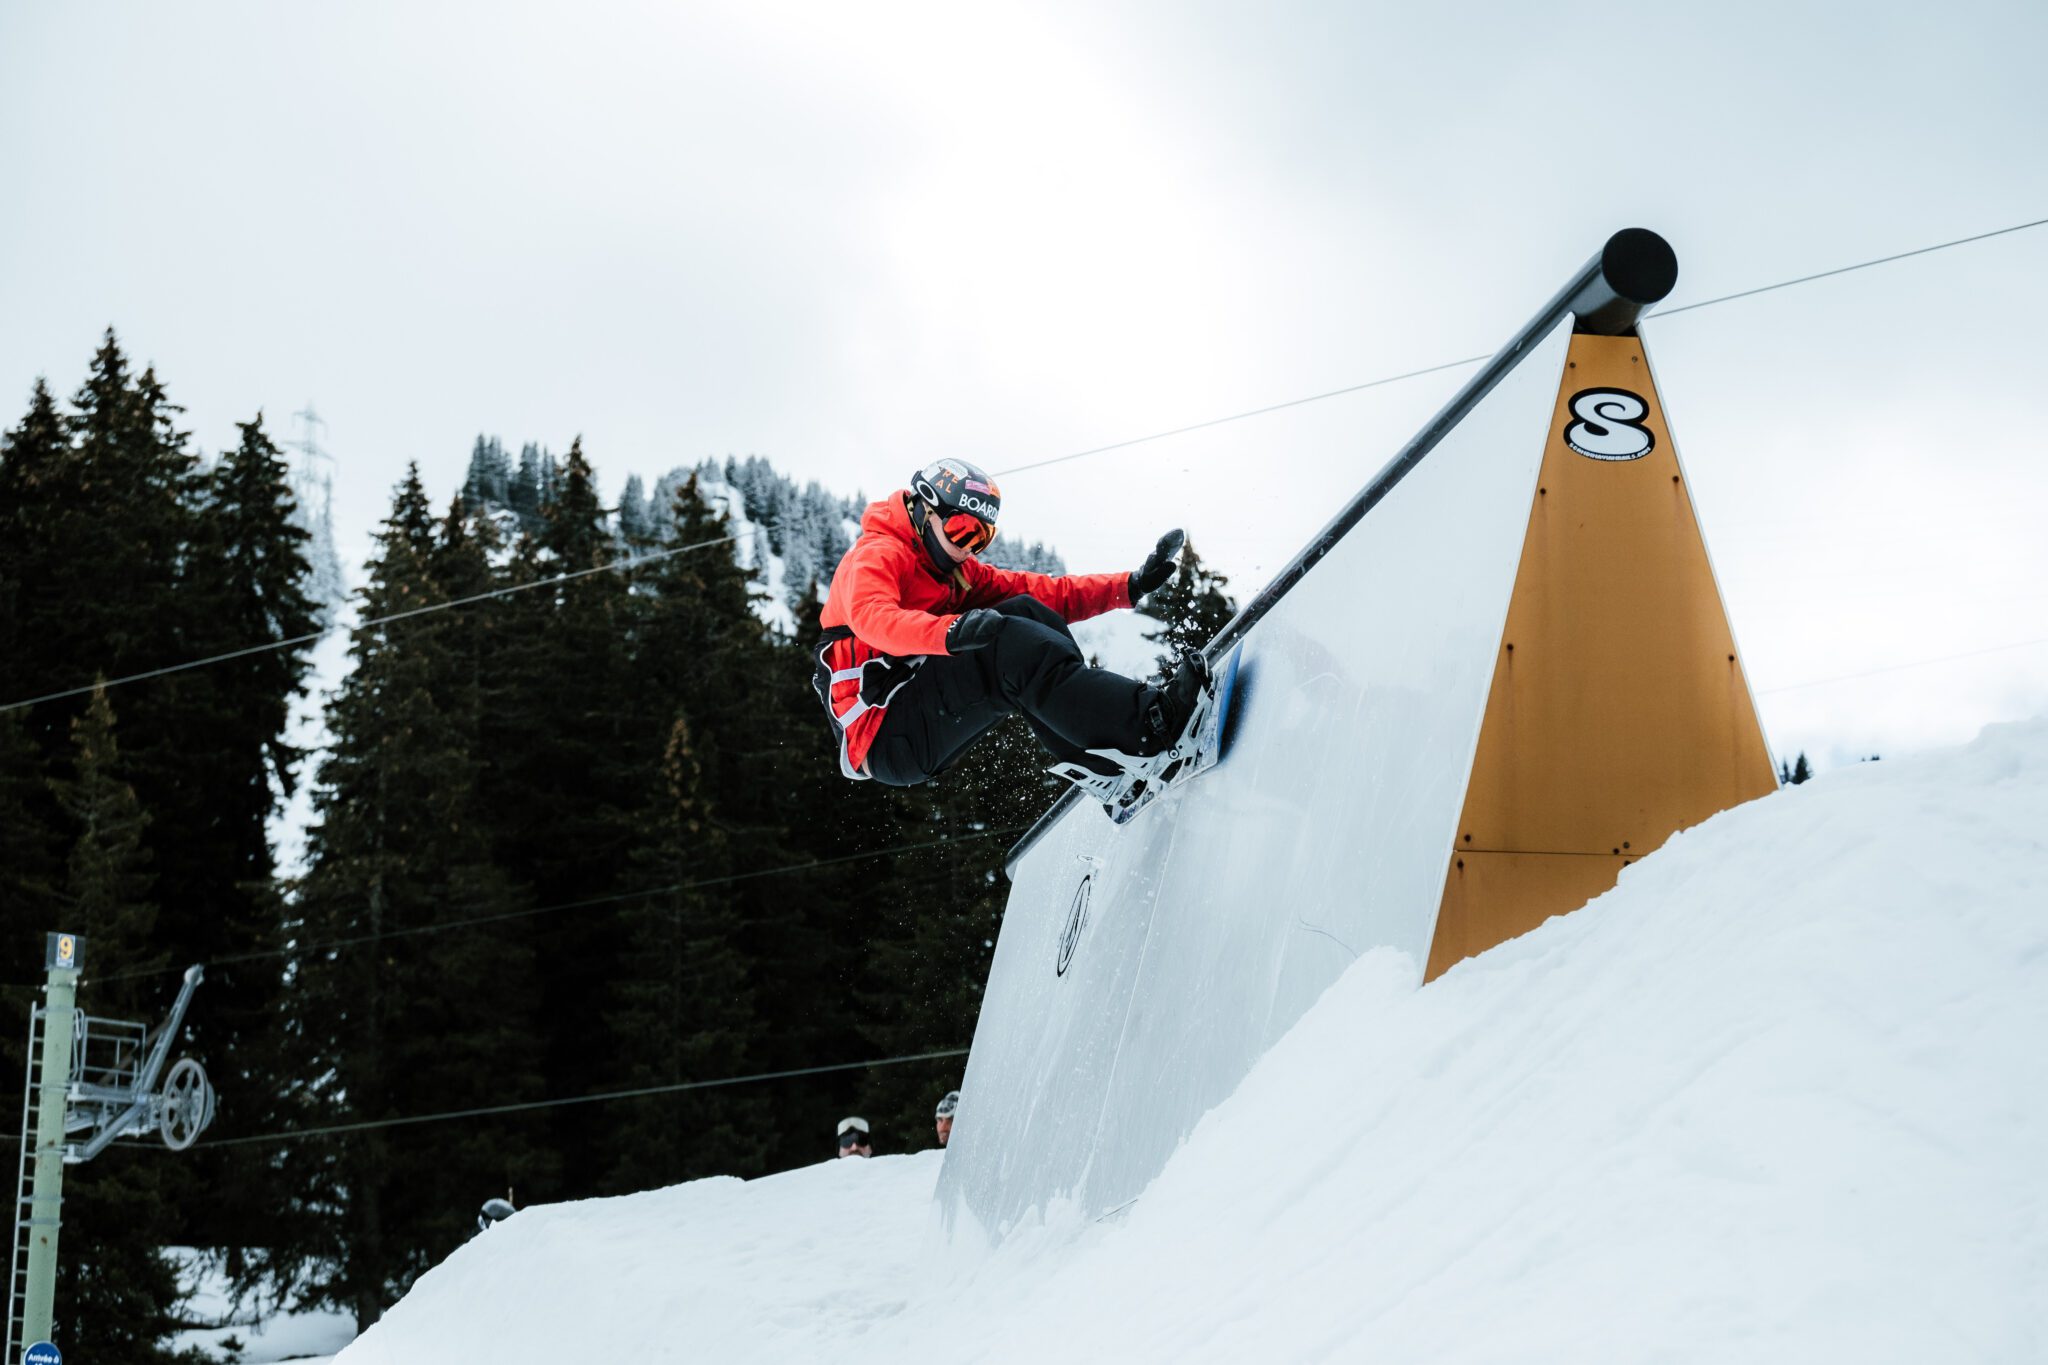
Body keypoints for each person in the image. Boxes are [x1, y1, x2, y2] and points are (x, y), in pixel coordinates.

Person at [813, 457, 1202, 787]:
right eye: (961, 531)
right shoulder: (877, 554)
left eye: (980, 538)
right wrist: (950, 632)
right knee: (1003, 645)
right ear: (924, 510)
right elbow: (874, 618)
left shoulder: (954, 572)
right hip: (884, 732)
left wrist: (1129, 586)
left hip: (912, 705)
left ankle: (1106, 767)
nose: (967, 550)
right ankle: (1153, 729)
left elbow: (1043, 591)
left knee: (1028, 611)